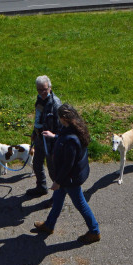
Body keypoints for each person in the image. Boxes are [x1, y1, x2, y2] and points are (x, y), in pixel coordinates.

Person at [33, 103, 101, 244]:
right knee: (57, 200)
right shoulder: (74, 128)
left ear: (63, 118)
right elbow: (65, 138)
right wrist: (55, 136)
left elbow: (68, 165)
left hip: (70, 179)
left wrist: (57, 181)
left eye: (59, 118)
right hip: (70, 176)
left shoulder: (71, 139)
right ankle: (49, 225)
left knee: (80, 204)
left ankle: (94, 231)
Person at [26, 75, 62, 197]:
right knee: (37, 164)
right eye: (39, 89)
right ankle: (41, 188)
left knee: (53, 171)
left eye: (44, 89)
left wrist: (54, 136)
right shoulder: (39, 99)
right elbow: (38, 118)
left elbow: (62, 128)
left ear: (50, 88)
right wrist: (34, 132)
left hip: (51, 144)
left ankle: (57, 196)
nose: (42, 92)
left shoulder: (55, 104)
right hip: (39, 138)